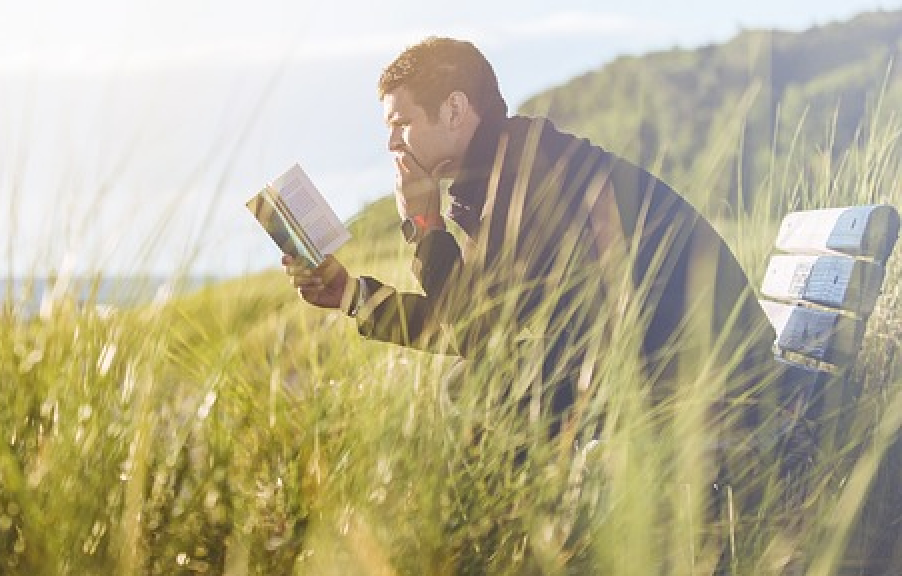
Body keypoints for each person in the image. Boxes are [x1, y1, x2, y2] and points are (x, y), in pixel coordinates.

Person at [284, 36, 782, 463]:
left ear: (455, 110)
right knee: (476, 380)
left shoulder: (529, 174)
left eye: (401, 122)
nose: (391, 142)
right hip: (668, 366)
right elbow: (474, 323)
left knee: (476, 386)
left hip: (715, 385)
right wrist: (350, 293)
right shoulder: (504, 172)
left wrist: (425, 223)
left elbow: (473, 329)